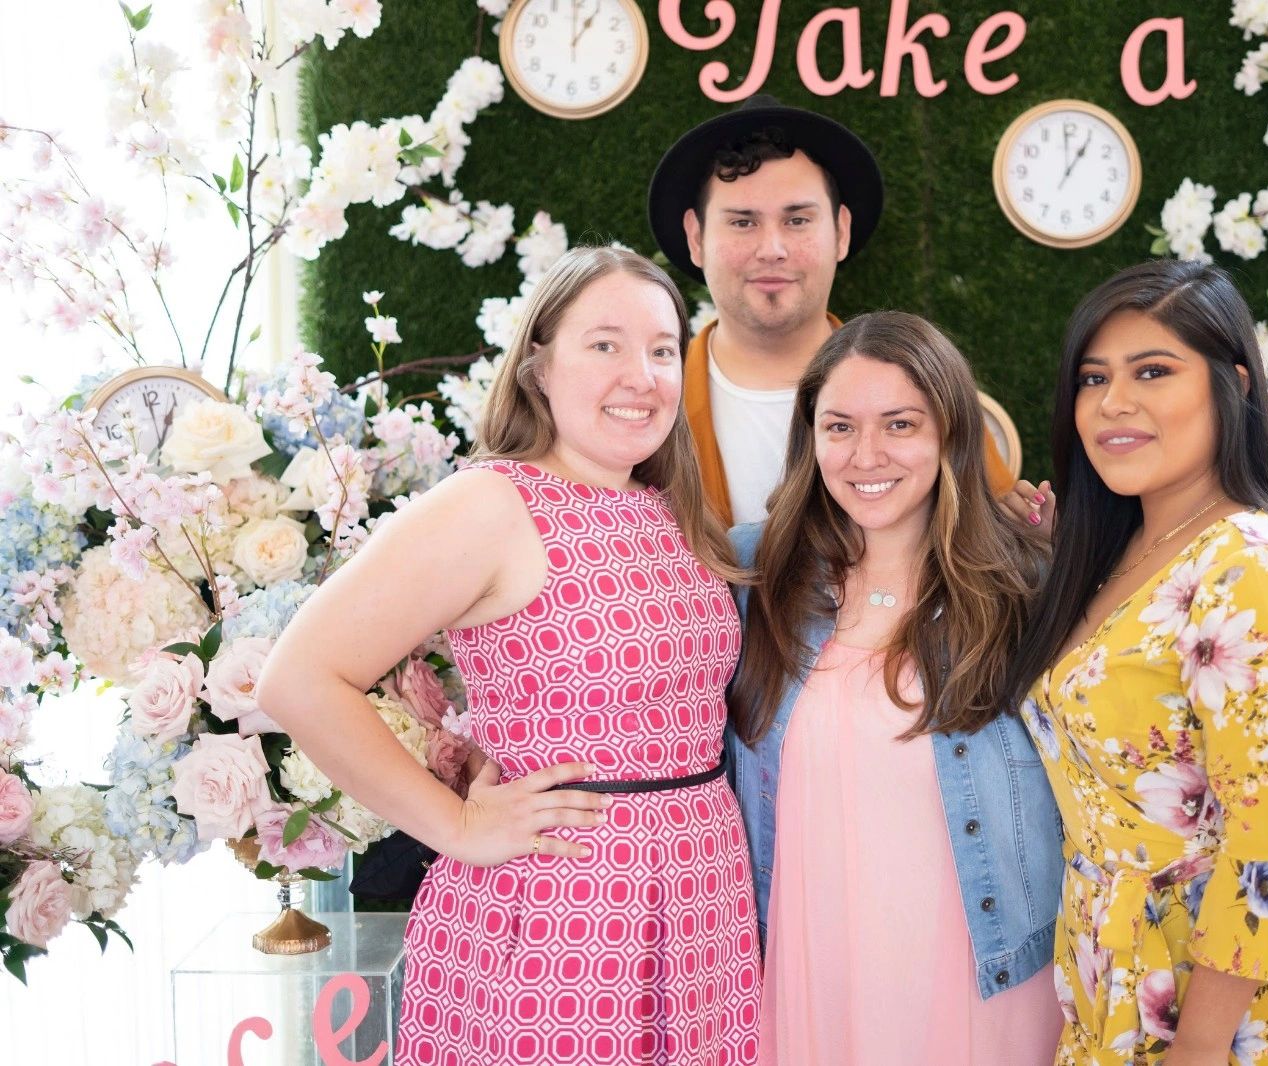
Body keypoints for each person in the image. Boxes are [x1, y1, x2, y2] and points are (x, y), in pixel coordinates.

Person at [257, 247, 761, 1066]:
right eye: (604, 344)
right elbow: (299, 677)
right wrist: (454, 824)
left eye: (662, 349)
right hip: (561, 915)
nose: (641, 374)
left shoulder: (668, 508)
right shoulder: (492, 503)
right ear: (538, 367)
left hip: (701, 906)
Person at [1003, 260, 1268, 1065]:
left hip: (1232, 1011)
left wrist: (1200, 1050)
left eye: (1153, 371)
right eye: (1093, 377)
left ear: (1235, 386)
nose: (1114, 403)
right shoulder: (1123, 554)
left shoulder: (1249, 563)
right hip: (1116, 969)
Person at [726, 311, 1065, 1065]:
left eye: (900, 424)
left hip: (984, 965)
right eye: (839, 426)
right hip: (807, 962)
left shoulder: (1027, 584)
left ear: (949, 431)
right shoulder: (757, 574)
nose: (866, 454)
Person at [648, 95, 1023, 527]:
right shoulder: (643, 404)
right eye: (742, 222)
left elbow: (996, 550)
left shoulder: (930, 397)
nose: (772, 249)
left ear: (840, 232)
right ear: (696, 238)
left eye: (797, 220)